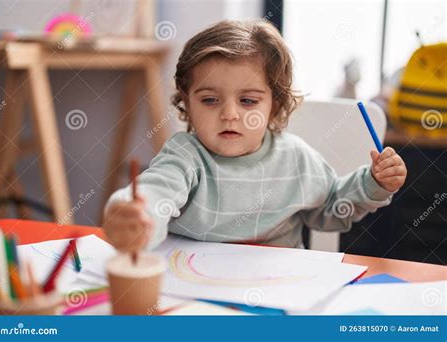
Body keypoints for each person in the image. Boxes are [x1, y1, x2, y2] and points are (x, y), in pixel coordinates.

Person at [103, 20, 407, 253]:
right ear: (187, 103)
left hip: (279, 295)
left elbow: (331, 210)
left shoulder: (296, 159)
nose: (230, 114)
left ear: (274, 105)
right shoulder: (184, 156)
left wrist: (374, 183)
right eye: (209, 100)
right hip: (193, 294)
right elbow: (157, 193)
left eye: (248, 101)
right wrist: (136, 214)